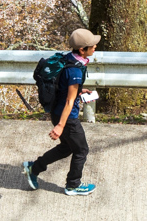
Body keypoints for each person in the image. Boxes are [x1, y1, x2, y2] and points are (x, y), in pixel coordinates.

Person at [23, 28, 99, 197]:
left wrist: (79, 90)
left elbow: (64, 87)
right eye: (92, 46)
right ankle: (73, 185)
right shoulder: (75, 71)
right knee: (81, 150)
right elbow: (69, 101)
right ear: (82, 50)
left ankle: (34, 167)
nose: (95, 48)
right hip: (67, 117)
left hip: (57, 111)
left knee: (66, 148)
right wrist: (60, 126)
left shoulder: (69, 59)